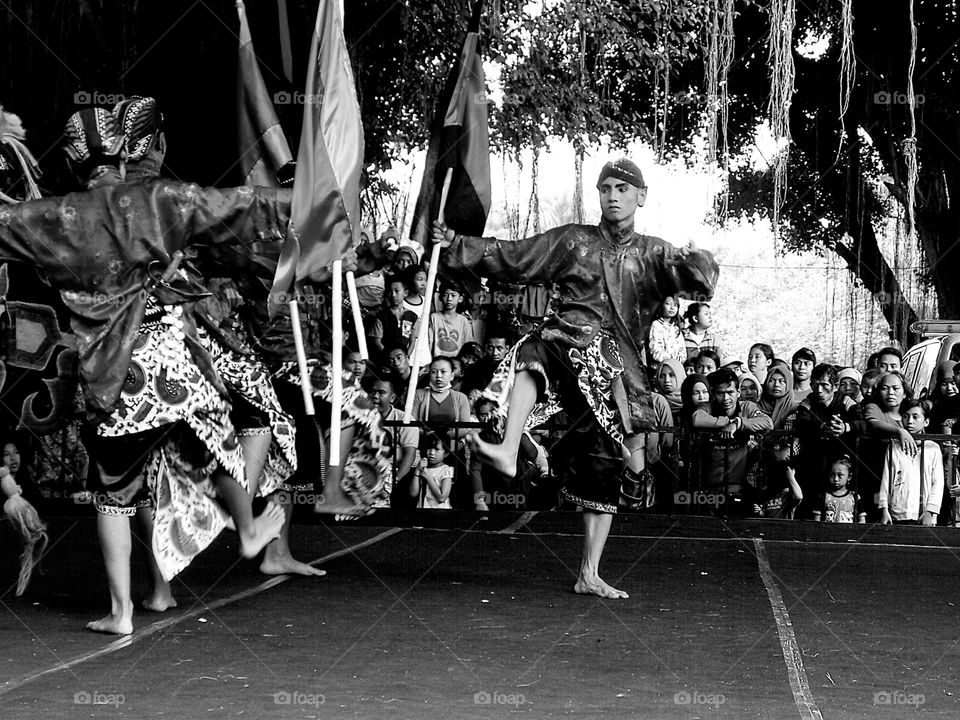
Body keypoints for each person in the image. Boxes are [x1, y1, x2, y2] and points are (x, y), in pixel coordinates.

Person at [436, 158, 718, 598]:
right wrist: (457, 245)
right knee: (534, 348)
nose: (613, 196)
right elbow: (513, 257)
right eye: (605, 188)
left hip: (618, 377)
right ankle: (510, 448)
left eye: (623, 189)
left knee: (604, 466)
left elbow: (699, 281)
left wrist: (697, 259)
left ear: (641, 197)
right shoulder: (573, 240)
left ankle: (589, 573)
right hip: (570, 346)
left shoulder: (654, 252)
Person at [692, 368, 773, 514]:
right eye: (720, 393)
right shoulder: (707, 407)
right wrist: (726, 422)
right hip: (709, 489)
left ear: (738, 392)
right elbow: (697, 419)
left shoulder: (746, 407)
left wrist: (738, 423)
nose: (726, 398)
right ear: (712, 393)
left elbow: (767, 422)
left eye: (730, 392)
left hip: (737, 488)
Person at [788, 364, 863, 519]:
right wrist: (821, 426)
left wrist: (845, 427)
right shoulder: (809, 401)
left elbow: (862, 422)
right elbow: (802, 420)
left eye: (824, 385)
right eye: (815, 385)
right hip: (814, 464)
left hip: (840, 463)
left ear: (835, 386)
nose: (819, 390)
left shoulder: (846, 401)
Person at [879, 399, 943, 525]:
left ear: (926, 421)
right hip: (896, 513)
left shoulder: (932, 448)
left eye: (915, 417)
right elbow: (886, 479)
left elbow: (938, 483)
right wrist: (884, 509)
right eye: (905, 416)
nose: (910, 421)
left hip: (923, 515)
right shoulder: (894, 446)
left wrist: (930, 512)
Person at [366, 376, 419, 508]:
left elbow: (409, 455)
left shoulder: (404, 419)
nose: (375, 396)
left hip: (401, 472)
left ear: (392, 398)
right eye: (372, 391)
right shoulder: (362, 417)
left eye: (382, 392)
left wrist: (392, 483)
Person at [428, 279, 475, 358]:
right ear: (440, 297)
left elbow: (468, 346)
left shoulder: (464, 321)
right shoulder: (434, 318)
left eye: (453, 295)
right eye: (445, 295)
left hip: (456, 364)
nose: (449, 299)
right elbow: (429, 342)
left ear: (460, 299)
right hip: (437, 362)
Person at [812, 455, 864, 523]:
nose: (836, 479)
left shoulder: (854, 497)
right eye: (832, 475)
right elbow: (816, 521)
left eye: (840, 475)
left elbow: (862, 520)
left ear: (849, 477)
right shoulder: (823, 496)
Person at [410, 432, 454, 509]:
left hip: (439, 513)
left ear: (446, 453)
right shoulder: (424, 468)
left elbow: (442, 498)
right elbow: (413, 493)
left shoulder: (445, 470)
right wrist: (417, 471)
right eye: (429, 448)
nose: (432, 453)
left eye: (437, 449)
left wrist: (428, 477)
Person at [647, 294, 686, 363]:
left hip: (676, 365)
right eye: (668, 304)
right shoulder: (656, 325)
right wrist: (670, 361)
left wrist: (677, 361)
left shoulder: (675, 327)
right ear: (661, 306)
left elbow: (682, 350)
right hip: (661, 366)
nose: (672, 308)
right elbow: (655, 350)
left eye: (675, 305)